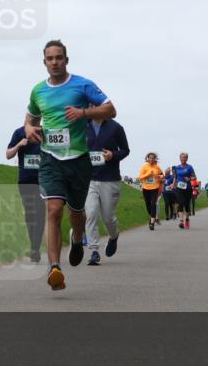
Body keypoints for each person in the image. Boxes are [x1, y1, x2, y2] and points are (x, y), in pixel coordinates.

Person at [24, 40, 115, 291]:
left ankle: (77, 239)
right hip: (50, 159)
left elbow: (111, 109)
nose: (55, 62)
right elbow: (30, 117)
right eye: (50, 58)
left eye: (59, 57)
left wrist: (83, 113)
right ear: (44, 62)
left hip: (78, 160)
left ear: (66, 60)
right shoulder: (38, 91)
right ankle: (55, 268)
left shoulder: (82, 84)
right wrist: (29, 128)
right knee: (53, 209)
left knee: (76, 213)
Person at [83, 116, 130, 265]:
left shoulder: (116, 127)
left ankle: (114, 235)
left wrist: (113, 155)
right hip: (88, 178)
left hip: (110, 179)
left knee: (108, 217)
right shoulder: (82, 125)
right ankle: (94, 251)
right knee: (90, 213)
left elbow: (125, 150)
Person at [7, 124, 45, 262]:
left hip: (43, 180)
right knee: (30, 213)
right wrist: (19, 145)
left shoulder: (44, 132)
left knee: (40, 213)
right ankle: (34, 245)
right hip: (25, 181)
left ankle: (35, 247)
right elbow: (8, 155)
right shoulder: (19, 132)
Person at [137, 152, 165, 230]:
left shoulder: (157, 167)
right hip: (146, 188)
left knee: (153, 204)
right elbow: (140, 177)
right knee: (148, 205)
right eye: (150, 158)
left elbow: (162, 175)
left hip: (154, 187)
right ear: (147, 158)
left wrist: (158, 176)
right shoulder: (144, 167)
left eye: (153, 158)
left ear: (155, 159)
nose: (151, 159)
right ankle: (152, 217)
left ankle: (152, 223)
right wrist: (148, 174)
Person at [172, 152, 196, 229]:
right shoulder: (176, 167)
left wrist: (189, 179)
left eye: (185, 157)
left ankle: (187, 218)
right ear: (180, 158)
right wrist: (173, 184)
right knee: (180, 202)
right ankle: (181, 221)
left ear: (187, 159)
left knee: (186, 204)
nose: (183, 159)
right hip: (178, 187)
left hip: (187, 188)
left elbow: (194, 177)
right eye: (182, 157)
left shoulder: (189, 167)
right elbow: (175, 177)